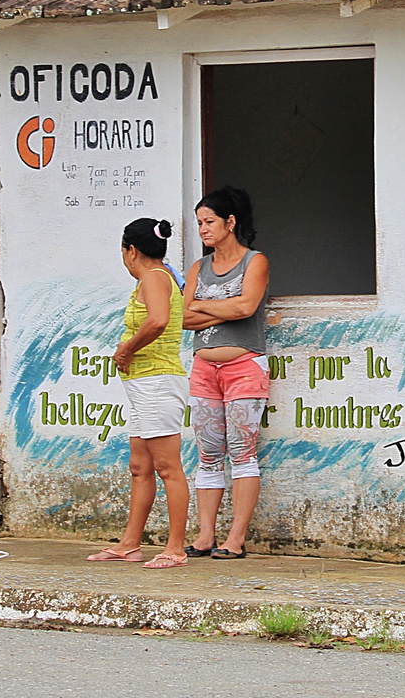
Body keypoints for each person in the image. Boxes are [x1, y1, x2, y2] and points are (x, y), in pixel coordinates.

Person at [88, 219, 191, 569]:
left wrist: (126, 349)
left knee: (167, 466)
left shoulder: (154, 278)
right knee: (140, 466)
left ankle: (175, 548)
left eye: (123, 252)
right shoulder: (156, 278)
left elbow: (158, 320)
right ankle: (130, 544)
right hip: (143, 384)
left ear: (131, 250)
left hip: (158, 382)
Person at [181, 186, 270, 559]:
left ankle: (235, 538)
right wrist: (224, 305)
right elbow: (183, 318)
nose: (203, 229)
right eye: (199, 223)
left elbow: (247, 308)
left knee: (242, 450)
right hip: (204, 368)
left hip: (244, 367)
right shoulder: (198, 268)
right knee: (208, 453)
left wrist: (205, 303)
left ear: (230, 222)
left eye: (209, 221)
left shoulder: (255, 262)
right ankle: (205, 536)